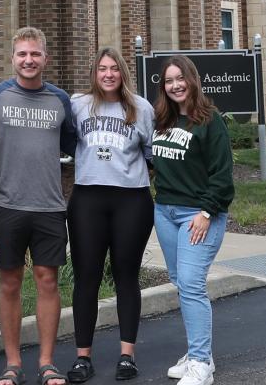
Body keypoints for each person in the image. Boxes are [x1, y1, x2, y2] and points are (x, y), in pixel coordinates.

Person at [0, 27, 79, 385]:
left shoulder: (60, 100)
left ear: (45, 58)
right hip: (8, 204)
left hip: (50, 205)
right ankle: (12, 364)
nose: (28, 60)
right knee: (9, 282)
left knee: (47, 281)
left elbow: (71, 143)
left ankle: (46, 362)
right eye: (22, 54)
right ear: (13, 58)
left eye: (35, 54)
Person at [66, 48, 156, 383]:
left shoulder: (141, 108)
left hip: (131, 200)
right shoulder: (78, 106)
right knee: (86, 277)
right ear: (94, 72)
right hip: (88, 198)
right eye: (102, 69)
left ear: (122, 73)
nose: (108, 74)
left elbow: (153, 155)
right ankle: (82, 358)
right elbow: (65, 142)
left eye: (114, 69)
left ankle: (127, 356)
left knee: (126, 276)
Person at [149, 57, 235, 385]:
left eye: (180, 78)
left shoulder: (209, 120)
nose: (175, 85)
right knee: (180, 281)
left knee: (191, 282)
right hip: (166, 212)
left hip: (198, 215)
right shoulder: (163, 120)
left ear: (192, 80)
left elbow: (223, 176)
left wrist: (206, 212)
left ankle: (200, 362)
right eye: (169, 81)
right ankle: (200, 353)